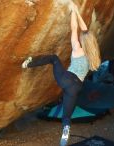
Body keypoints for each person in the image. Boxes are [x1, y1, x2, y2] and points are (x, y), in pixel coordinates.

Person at [21, 2, 101, 146]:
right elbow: (85, 31)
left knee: (54, 58)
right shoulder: (92, 54)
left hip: (67, 79)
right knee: (66, 116)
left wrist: (72, 12)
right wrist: (77, 12)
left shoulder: (77, 48)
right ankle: (64, 136)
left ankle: (28, 63)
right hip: (76, 88)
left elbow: (75, 28)